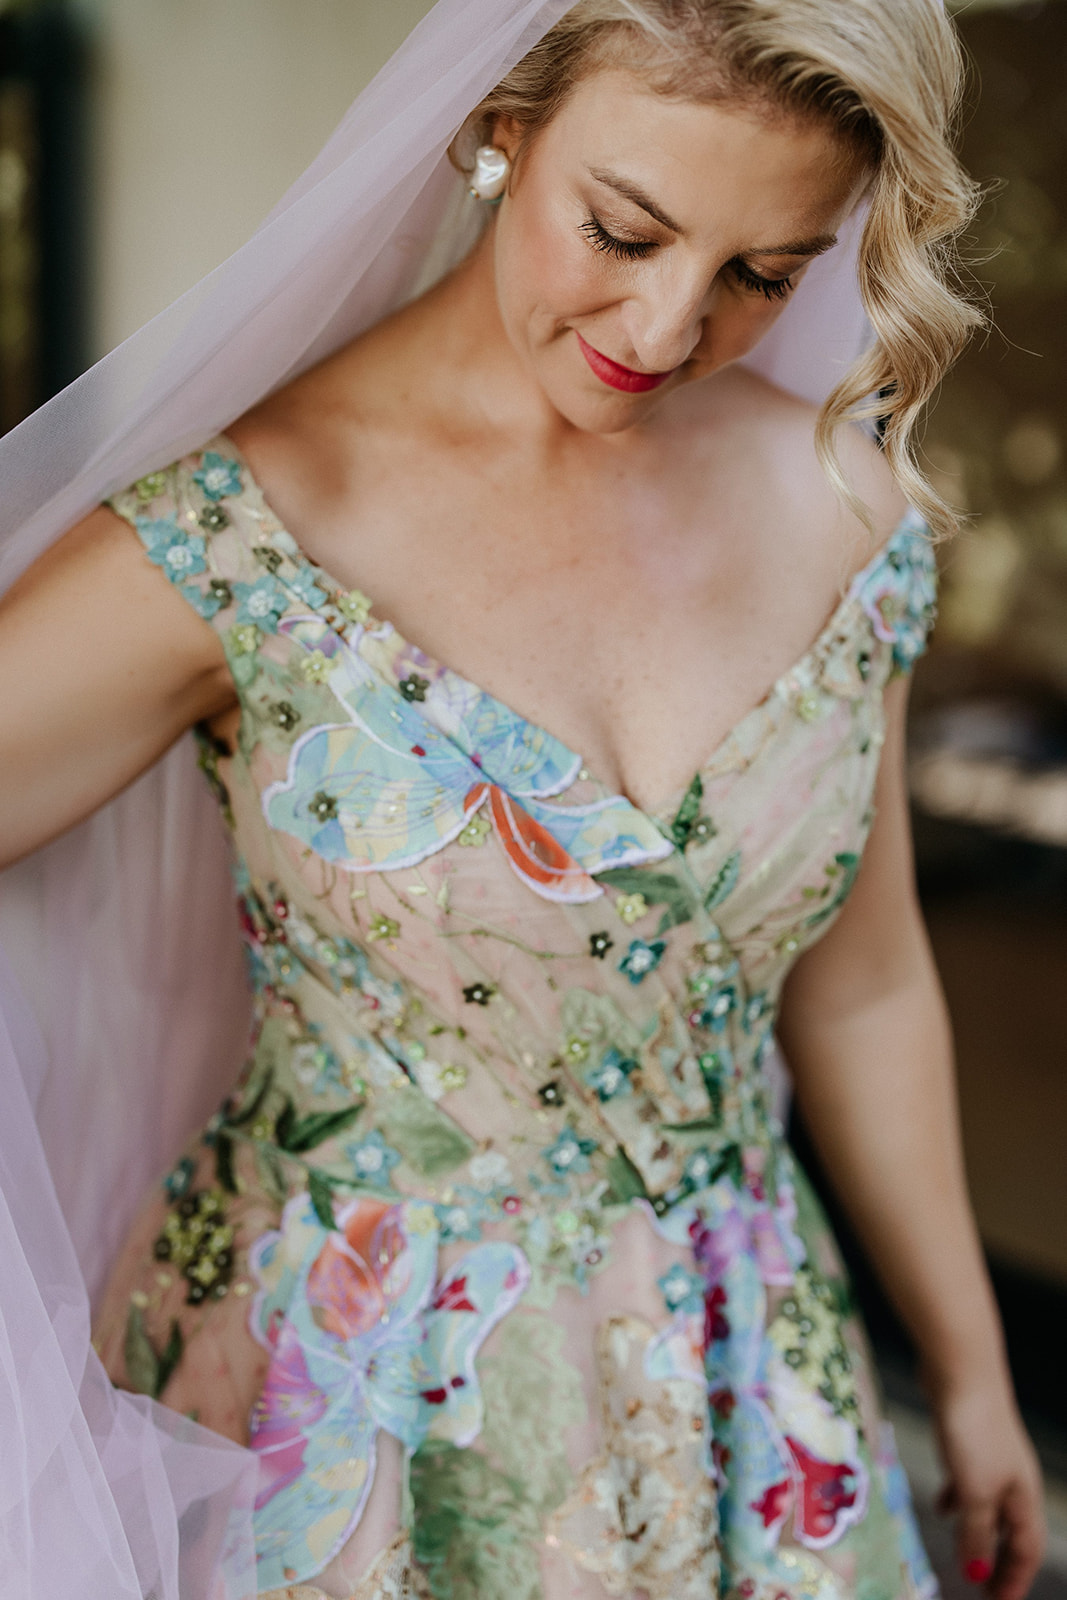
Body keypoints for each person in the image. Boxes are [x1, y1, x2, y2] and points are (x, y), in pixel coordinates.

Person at [0, 2, 1048, 1597]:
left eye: (766, 273)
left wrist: (971, 1372)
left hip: (745, 1382)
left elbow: (866, 981)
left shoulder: (845, 501)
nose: (667, 325)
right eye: (622, 231)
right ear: (505, 125)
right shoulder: (251, 536)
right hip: (350, 1414)